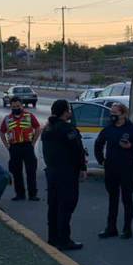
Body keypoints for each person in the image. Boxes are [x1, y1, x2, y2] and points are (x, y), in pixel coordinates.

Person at [94, 102, 133, 239]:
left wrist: (130, 146)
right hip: (111, 168)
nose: (112, 116)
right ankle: (111, 228)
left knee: (127, 199)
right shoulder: (108, 128)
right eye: (111, 113)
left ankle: (127, 229)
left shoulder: (132, 129)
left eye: (115, 114)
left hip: (126, 169)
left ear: (123, 114)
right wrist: (102, 160)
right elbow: (98, 144)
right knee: (112, 199)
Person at [41, 99, 87, 250]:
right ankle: (64, 240)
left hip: (52, 172)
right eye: (68, 110)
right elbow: (78, 151)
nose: (70, 113)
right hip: (66, 173)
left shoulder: (47, 129)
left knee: (53, 205)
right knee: (66, 206)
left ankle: (53, 237)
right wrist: (82, 168)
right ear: (64, 111)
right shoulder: (68, 129)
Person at [0, 95, 41, 201]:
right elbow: (1, 132)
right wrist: (7, 146)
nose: (15, 108)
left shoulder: (29, 116)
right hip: (14, 148)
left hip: (28, 146)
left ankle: (32, 194)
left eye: (18, 106)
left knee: (31, 171)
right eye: (13, 106)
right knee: (16, 172)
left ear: (22, 105)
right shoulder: (7, 119)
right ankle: (20, 194)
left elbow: (37, 128)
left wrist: (33, 143)